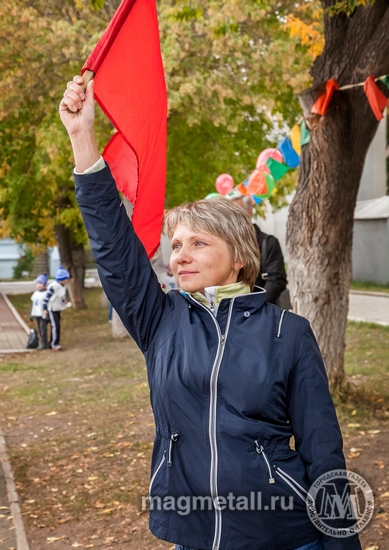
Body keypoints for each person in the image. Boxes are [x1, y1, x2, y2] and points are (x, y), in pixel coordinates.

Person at [59, 76, 361, 550]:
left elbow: (324, 450)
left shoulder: (288, 332)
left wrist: (341, 541)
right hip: (192, 532)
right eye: (176, 244)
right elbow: (115, 251)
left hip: (281, 532)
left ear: (240, 256)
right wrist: (82, 139)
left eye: (199, 243)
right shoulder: (161, 320)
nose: (180, 255)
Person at [228, 190, 287, 304]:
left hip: (262, 310)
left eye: (238, 212)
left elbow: (276, 281)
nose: (233, 218)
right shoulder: (225, 244)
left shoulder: (269, 242)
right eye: (229, 214)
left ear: (250, 213)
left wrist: (254, 307)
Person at [42, 266, 71, 350]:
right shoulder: (53, 286)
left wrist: (64, 301)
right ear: (62, 279)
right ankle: (53, 343)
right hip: (52, 309)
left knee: (58, 325)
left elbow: (61, 296)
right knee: (55, 326)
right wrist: (45, 308)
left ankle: (55, 342)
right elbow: (46, 298)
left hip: (58, 308)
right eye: (66, 278)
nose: (67, 280)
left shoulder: (62, 286)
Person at [30, 273, 49, 350]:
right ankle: (42, 342)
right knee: (39, 328)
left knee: (43, 328)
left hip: (43, 314)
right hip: (36, 313)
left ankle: (44, 343)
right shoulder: (35, 293)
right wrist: (31, 313)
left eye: (40, 283)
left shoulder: (46, 294)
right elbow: (33, 303)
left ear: (44, 284)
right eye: (37, 283)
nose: (38, 285)